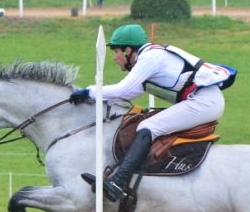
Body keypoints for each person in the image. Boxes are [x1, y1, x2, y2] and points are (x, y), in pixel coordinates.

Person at [69, 23, 233, 202]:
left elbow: (122, 90)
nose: (115, 58)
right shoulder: (151, 56)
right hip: (203, 100)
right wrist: (95, 97)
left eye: (116, 52)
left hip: (204, 102)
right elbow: (132, 92)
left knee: (148, 126)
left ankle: (118, 182)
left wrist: (89, 91)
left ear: (128, 50)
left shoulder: (150, 58)